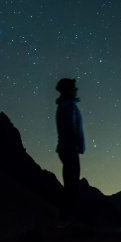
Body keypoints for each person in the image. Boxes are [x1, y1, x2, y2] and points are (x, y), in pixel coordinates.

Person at [55, 77, 84, 227]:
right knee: (71, 185)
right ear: (69, 89)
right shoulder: (67, 105)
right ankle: (63, 221)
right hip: (70, 148)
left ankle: (64, 220)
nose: (76, 89)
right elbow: (71, 126)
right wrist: (78, 140)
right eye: (74, 86)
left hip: (68, 148)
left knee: (71, 185)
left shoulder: (67, 104)